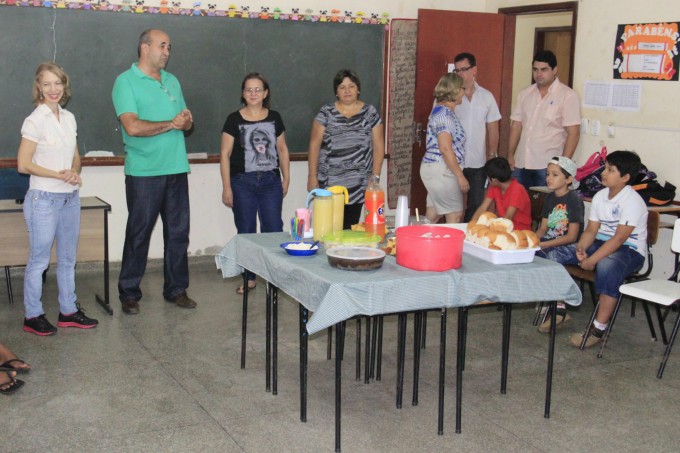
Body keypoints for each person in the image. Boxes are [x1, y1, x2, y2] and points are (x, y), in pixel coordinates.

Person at [112, 29, 195, 315]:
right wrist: (171, 124)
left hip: (176, 168)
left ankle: (177, 289)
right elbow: (132, 126)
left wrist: (184, 122)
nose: (167, 52)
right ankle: (129, 293)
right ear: (144, 48)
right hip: (145, 172)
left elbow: (185, 121)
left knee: (178, 233)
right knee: (139, 233)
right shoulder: (126, 82)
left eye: (170, 47)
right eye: (162, 46)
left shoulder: (172, 80)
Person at [17, 62, 98, 336]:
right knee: (39, 260)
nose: (53, 89)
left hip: (69, 198)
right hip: (43, 198)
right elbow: (23, 164)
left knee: (67, 259)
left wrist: (74, 172)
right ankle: (33, 315)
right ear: (39, 87)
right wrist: (59, 175)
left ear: (65, 86)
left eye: (58, 83)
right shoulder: (35, 120)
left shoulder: (69, 117)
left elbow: (75, 155)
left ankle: (68, 311)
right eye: (47, 84)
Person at [568, 151, 648, 349]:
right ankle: (559, 309)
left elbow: (620, 238)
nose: (604, 173)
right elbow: (591, 229)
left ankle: (599, 328)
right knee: (563, 253)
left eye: (610, 170)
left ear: (625, 178)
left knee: (607, 264)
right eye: (605, 168)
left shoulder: (632, 201)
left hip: (630, 251)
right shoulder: (600, 196)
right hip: (603, 244)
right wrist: (581, 247)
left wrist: (592, 259)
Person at [220, 72, 291, 294]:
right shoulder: (233, 119)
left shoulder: (275, 117)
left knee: (274, 230)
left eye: (258, 89)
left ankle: (275, 277)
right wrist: (227, 187)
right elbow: (225, 154)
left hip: (270, 181)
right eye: (249, 89)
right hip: (242, 183)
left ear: (265, 93)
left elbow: (282, 149)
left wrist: (286, 177)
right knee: (247, 231)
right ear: (243, 93)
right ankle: (249, 278)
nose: (253, 93)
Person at [307, 69, 385, 229]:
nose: (347, 90)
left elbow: (378, 147)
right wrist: (312, 176)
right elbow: (314, 145)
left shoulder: (370, 113)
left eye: (351, 86)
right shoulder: (326, 113)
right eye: (342, 87)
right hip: (330, 184)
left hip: (359, 183)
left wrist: (374, 179)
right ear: (336, 92)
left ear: (358, 89)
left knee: (351, 229)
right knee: (329, 229)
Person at [507, 50, 581, 190]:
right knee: (520, 207)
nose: (538, 74)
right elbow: (516, 126)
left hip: (548, 167)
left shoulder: (567, 96)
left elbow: (574, 133)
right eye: (535, 69)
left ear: (555, 70)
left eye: (544, 70)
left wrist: (562, 166)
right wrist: (510, 154)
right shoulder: (525, 94)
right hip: (521, 163)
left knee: (544, 208)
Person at [534, 156, 584, 332]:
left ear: (569, 179)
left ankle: (559, 310)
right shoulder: (549, 198)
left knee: (552, 258)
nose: (549, 178)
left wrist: (545, 245)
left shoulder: (573, 199)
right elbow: (542, 229)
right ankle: (551, 298)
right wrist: (531, 241)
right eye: (548, 174)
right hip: (551, 243)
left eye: (555, 174)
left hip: (570, 246)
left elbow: (572, 236)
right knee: (529, 255)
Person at [451, 53, 502, 222]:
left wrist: (491, 156)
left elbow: (493, 128)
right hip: (453, 162)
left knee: (476, 206)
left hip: (478, 163)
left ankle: (467, 242)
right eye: (456, 70)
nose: (460, 74)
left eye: (463, 70)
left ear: (474, 70)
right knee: (452, 208)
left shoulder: (486, 96)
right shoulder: (449, 96)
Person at [420, 73, 469, 224]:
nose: (464, 91)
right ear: (454, 90)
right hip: (442, 170)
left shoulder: (443, 111)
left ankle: (419, 245)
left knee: (433, 215)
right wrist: (460, 175)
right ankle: (451, 248)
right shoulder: (444, 114)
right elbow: (445, 148)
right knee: (455, 214)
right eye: (462, 88)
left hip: (437, 169)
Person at [471, 157, 532, 231]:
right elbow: (483, 208)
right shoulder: (494, 187)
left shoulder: (517, 189)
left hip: (518, 230)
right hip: (502, 225)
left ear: (494, 180)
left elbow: (508, 218)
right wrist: (472, 225)